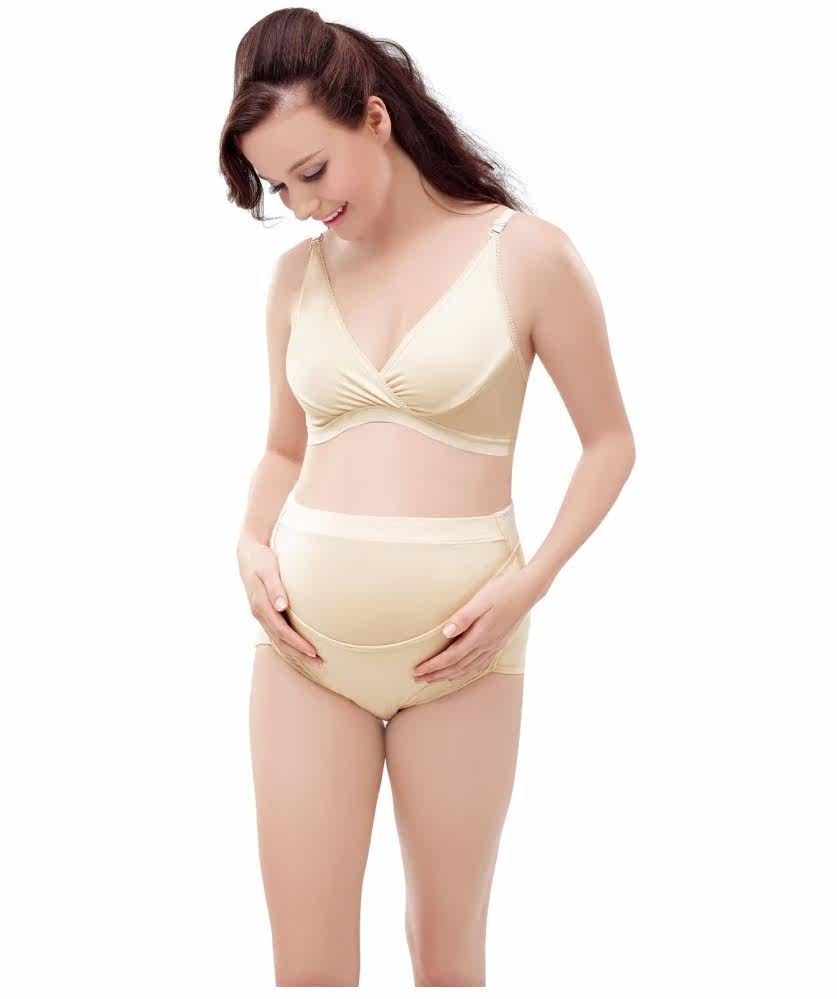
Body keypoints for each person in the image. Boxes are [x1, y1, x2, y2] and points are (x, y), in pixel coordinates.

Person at [220, 9, 635, 988]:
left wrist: (529, 584)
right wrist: (248, 541)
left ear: (375, 118)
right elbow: (283, 448)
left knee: (447, 957)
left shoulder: (525, 254)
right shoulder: (295, 279)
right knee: (304, 968)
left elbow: (610, 443)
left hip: (463, 658)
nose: (303, 205)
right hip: (304, 655)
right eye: (280, 189)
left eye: (312, 172)